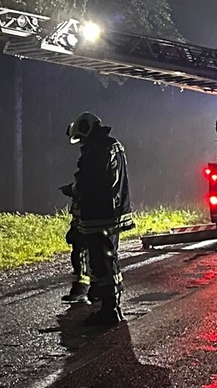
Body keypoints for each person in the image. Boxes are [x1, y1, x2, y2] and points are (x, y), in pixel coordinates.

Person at [66, 112, 135, 326]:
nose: (83, 143)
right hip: (112, 213)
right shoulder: (112, 145)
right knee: (108, 260)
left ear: (87, 129)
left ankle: (110, 310)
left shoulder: (98, 149)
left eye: (82, 138)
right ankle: (109, 302)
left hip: (100, 215)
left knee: (103, 262)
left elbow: (91, 181)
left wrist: (72, 189)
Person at [58, 182, 91, 304]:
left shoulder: (92, 166)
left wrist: (70, 189)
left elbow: (85, 185)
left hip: (85, 221)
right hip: (83, 220)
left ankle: (80, 290)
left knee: (80, 255)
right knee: (87, 254)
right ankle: (93, 290)